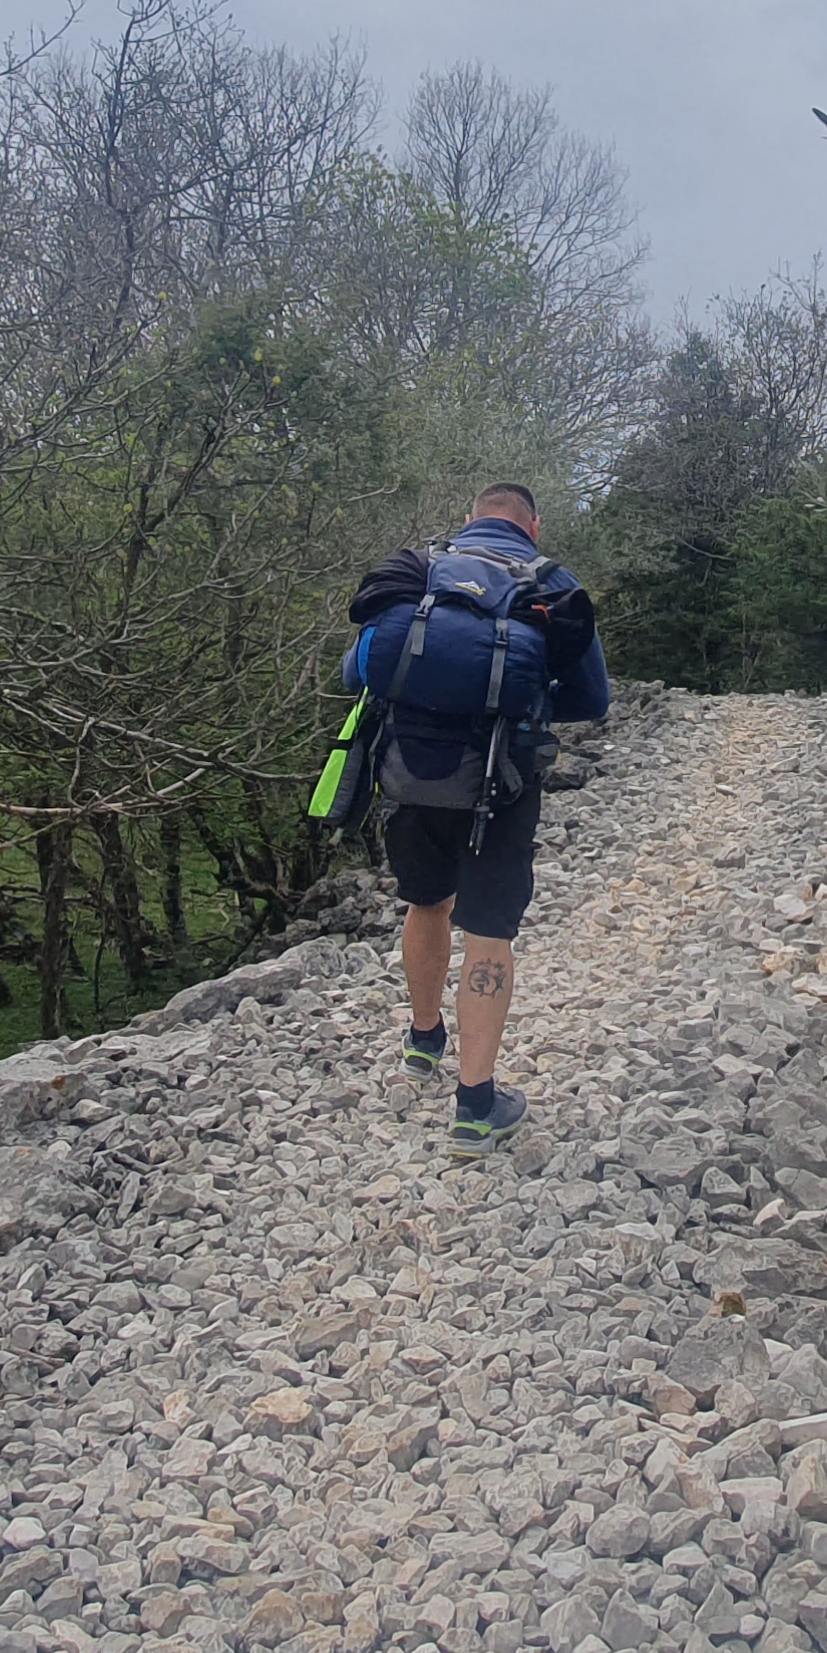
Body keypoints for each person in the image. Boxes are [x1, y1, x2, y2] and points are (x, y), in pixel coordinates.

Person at [344, 482, 608, 1154]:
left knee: (426, 903)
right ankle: (475, 1108)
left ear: (470, 518)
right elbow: (591, 699)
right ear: (534, 526)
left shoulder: (420, 571)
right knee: (489, 935)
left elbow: (358, 672)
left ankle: (424, 1039)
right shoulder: (550, 584)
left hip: (410, 773)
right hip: (503, 785)